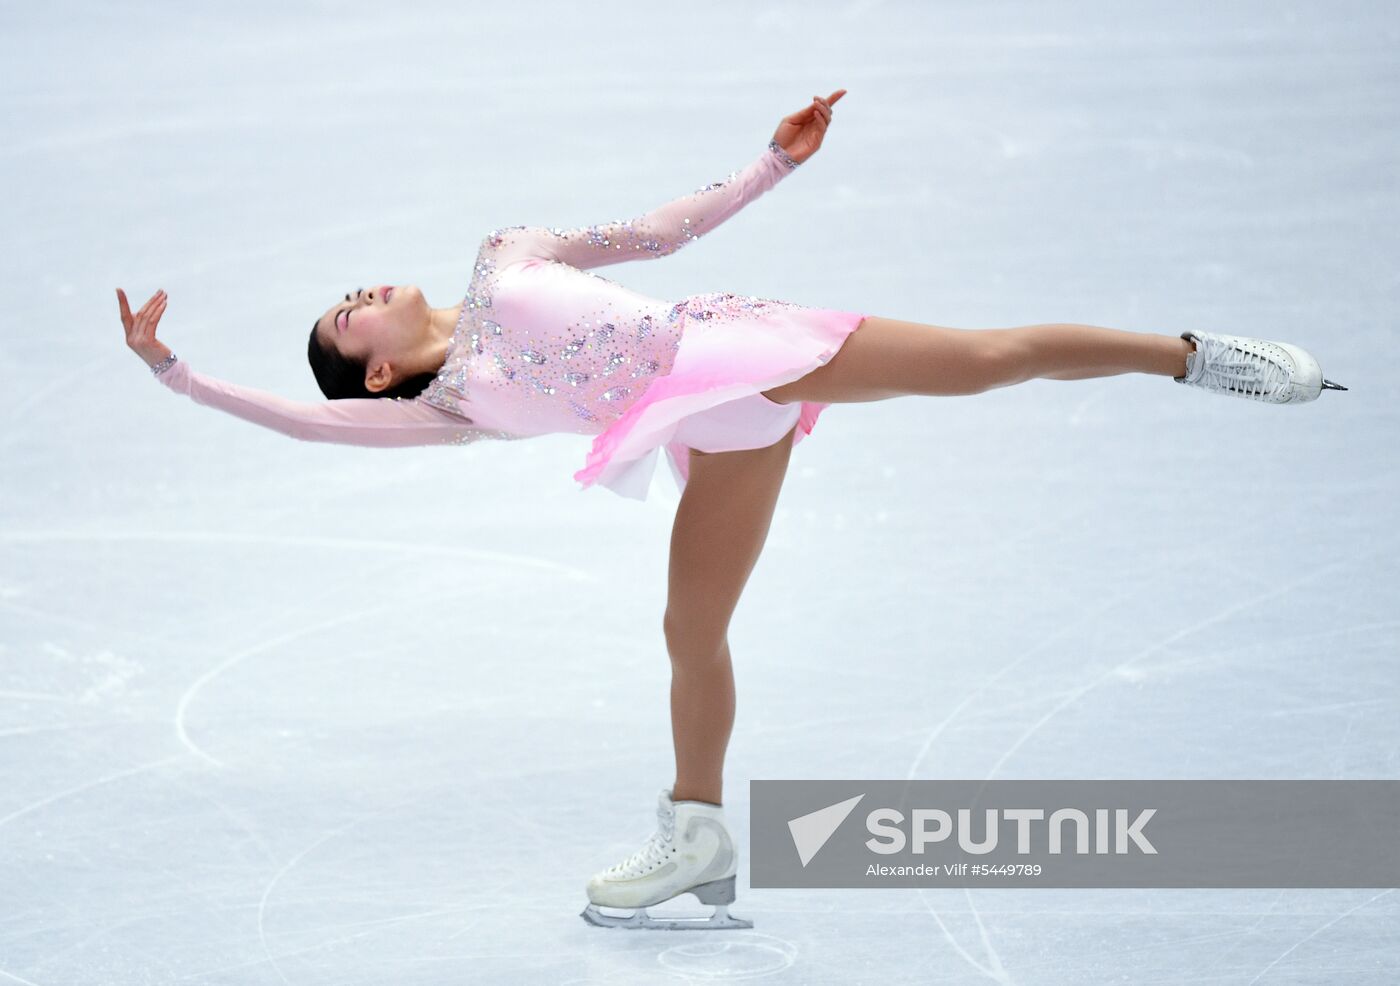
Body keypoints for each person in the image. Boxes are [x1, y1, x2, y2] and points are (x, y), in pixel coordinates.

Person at [117, 88, 1347, 931]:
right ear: (378, 368)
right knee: (687, 633)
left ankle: (1192, 355)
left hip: (738, 348)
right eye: (347, 319)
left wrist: (771, 162)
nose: (358, 294)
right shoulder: (444, 406)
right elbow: (301, 420)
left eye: (347, 295)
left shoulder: (508, 250)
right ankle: (695, 831)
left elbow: (656, 232)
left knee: (983, 358)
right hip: (712, 428)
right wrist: (176, 374)